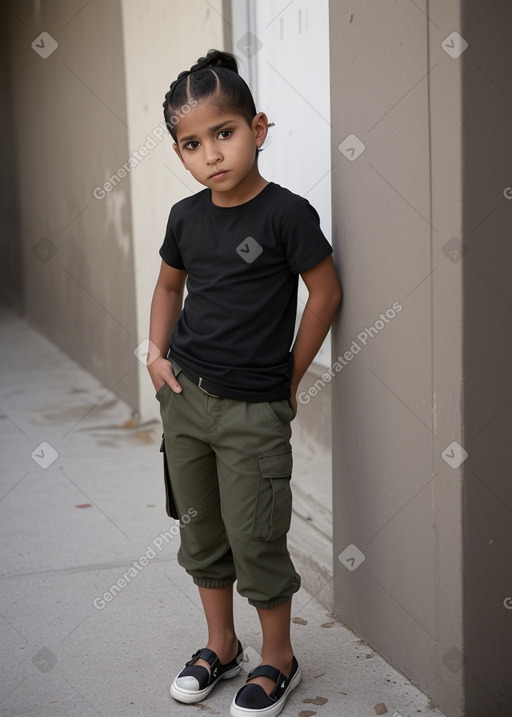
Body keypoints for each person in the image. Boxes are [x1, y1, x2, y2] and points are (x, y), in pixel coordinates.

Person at [147, 49, 342, 717]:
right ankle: (220, 642)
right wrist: (155, 354)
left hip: (254, 408)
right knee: (200, 530)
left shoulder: (285, 215)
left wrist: (291, 372)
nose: (211, 154)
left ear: (258, 128)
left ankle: (278, 655)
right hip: (186, 399)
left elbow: (325, 291)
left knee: (256, 532)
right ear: (181, 153)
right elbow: (170, 284)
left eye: (223, 133)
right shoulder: (186, 217)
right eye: (191, 144)